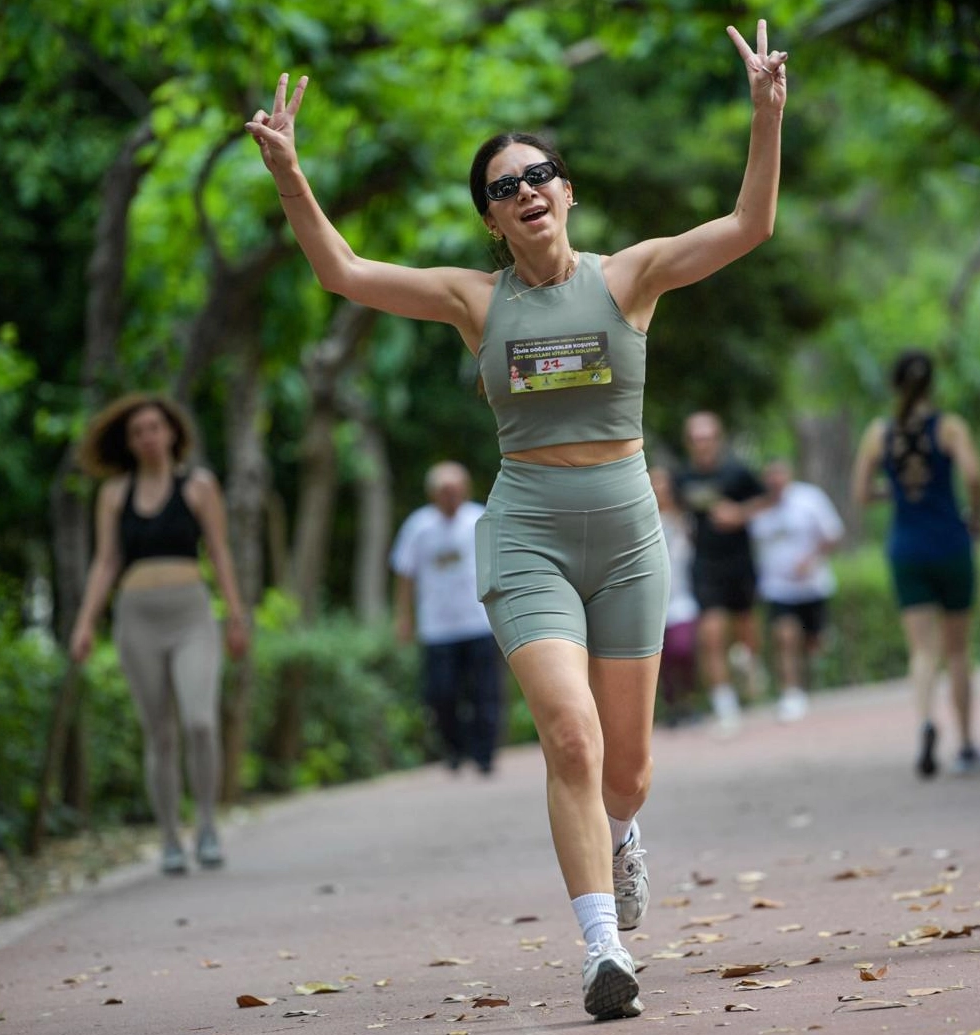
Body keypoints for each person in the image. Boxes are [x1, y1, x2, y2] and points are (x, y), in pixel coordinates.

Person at [245, 21, 786, 1020]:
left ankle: (621, 836)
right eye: (503, 187)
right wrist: (289, 172)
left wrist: (764, 114)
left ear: (566, 192)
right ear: (491, 221)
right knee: (570, 742)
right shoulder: (472, 299)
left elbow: (747, 226)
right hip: (527, 529)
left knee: (625, 767)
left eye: (538, 174)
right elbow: (343, 273)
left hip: (625, 535)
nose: (525, 190)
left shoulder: (629, 276)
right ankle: (599, 951)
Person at [69, 394, 250, 875]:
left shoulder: (199, 486)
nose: (148, 437)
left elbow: (219, 552)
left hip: (191, 615)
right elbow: (106, 561)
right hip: (137, 619)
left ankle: (207, 825)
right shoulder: (113, 494)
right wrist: (85, 623)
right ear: (129, 443)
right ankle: (170, 836)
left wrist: (235, 615)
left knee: (200, 722)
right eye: (138, 431)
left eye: (155, 427)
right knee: (160, 733)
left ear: (172, 432)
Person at [851, 351, 980, 777]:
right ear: (931, 385)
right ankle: (964, 744)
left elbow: (861, 493)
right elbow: (975, 475)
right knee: (958, 650)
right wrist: (977, 516)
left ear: (895, 385)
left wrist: (894, 492)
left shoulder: (879, 433)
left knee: (922, 651)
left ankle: (926, 723)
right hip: (950, 543)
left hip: (906, 548)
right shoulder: (949, 426)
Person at [391, 461, 504, 776]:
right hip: (437, 628)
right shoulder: (418, 526)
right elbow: (404, 574)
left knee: (486, 693)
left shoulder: (479, 518)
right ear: (433, 494)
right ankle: (455, 749)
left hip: (479, 622)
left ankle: (484, 755)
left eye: (456, 489)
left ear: (465, 489)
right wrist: (403, 617)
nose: (451, 496)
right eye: (444, 490)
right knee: (441, 694)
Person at [675, 411, 768, 733]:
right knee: (711, 634)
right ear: (689, 443)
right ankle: (724, 704)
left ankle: (749, 665)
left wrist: (739, 513)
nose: (703, 444)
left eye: (708, 437)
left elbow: (766, 500)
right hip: (704, 565)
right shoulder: (682, 478)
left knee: (745, 633)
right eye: (696, 438)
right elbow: (675, 508)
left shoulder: (738, 472)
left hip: (739, 562)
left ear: (718, 439)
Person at [748, 458, 843, 723]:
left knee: (814, 642)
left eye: (779, 474)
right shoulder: (758, 508)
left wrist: (811, 559)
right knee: (785, 637)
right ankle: (791, 693)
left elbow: (833, 534)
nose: (774, 481)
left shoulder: (810, 499)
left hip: (813, 586)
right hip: (778, 589)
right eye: (770, 476)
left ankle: (810, 672)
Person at [650, 465, 699, 728]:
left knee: (683, 649)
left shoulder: (685, 518)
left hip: (682, 596)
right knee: (662, 658)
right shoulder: (642, 520)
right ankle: (673, 707)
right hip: (653, 601)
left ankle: (690, 698)